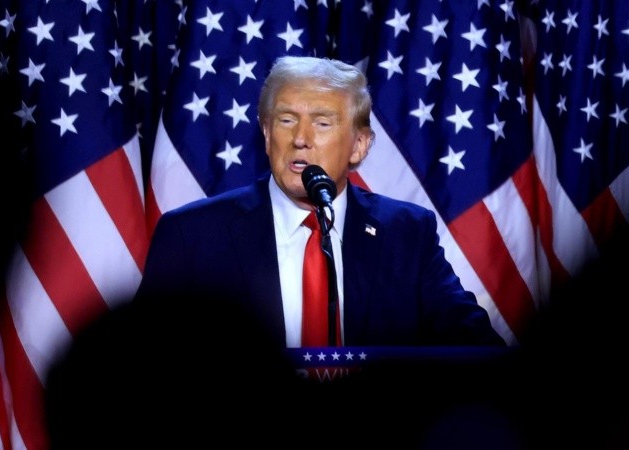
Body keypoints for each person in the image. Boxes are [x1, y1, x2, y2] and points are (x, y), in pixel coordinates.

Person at [135, 55, 504, 348]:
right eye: (286, 120)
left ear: (359, 145)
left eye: (322, 123)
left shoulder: (405, 233)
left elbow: (476, 347)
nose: (301, 138)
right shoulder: (193, 235)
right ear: (267, 135)